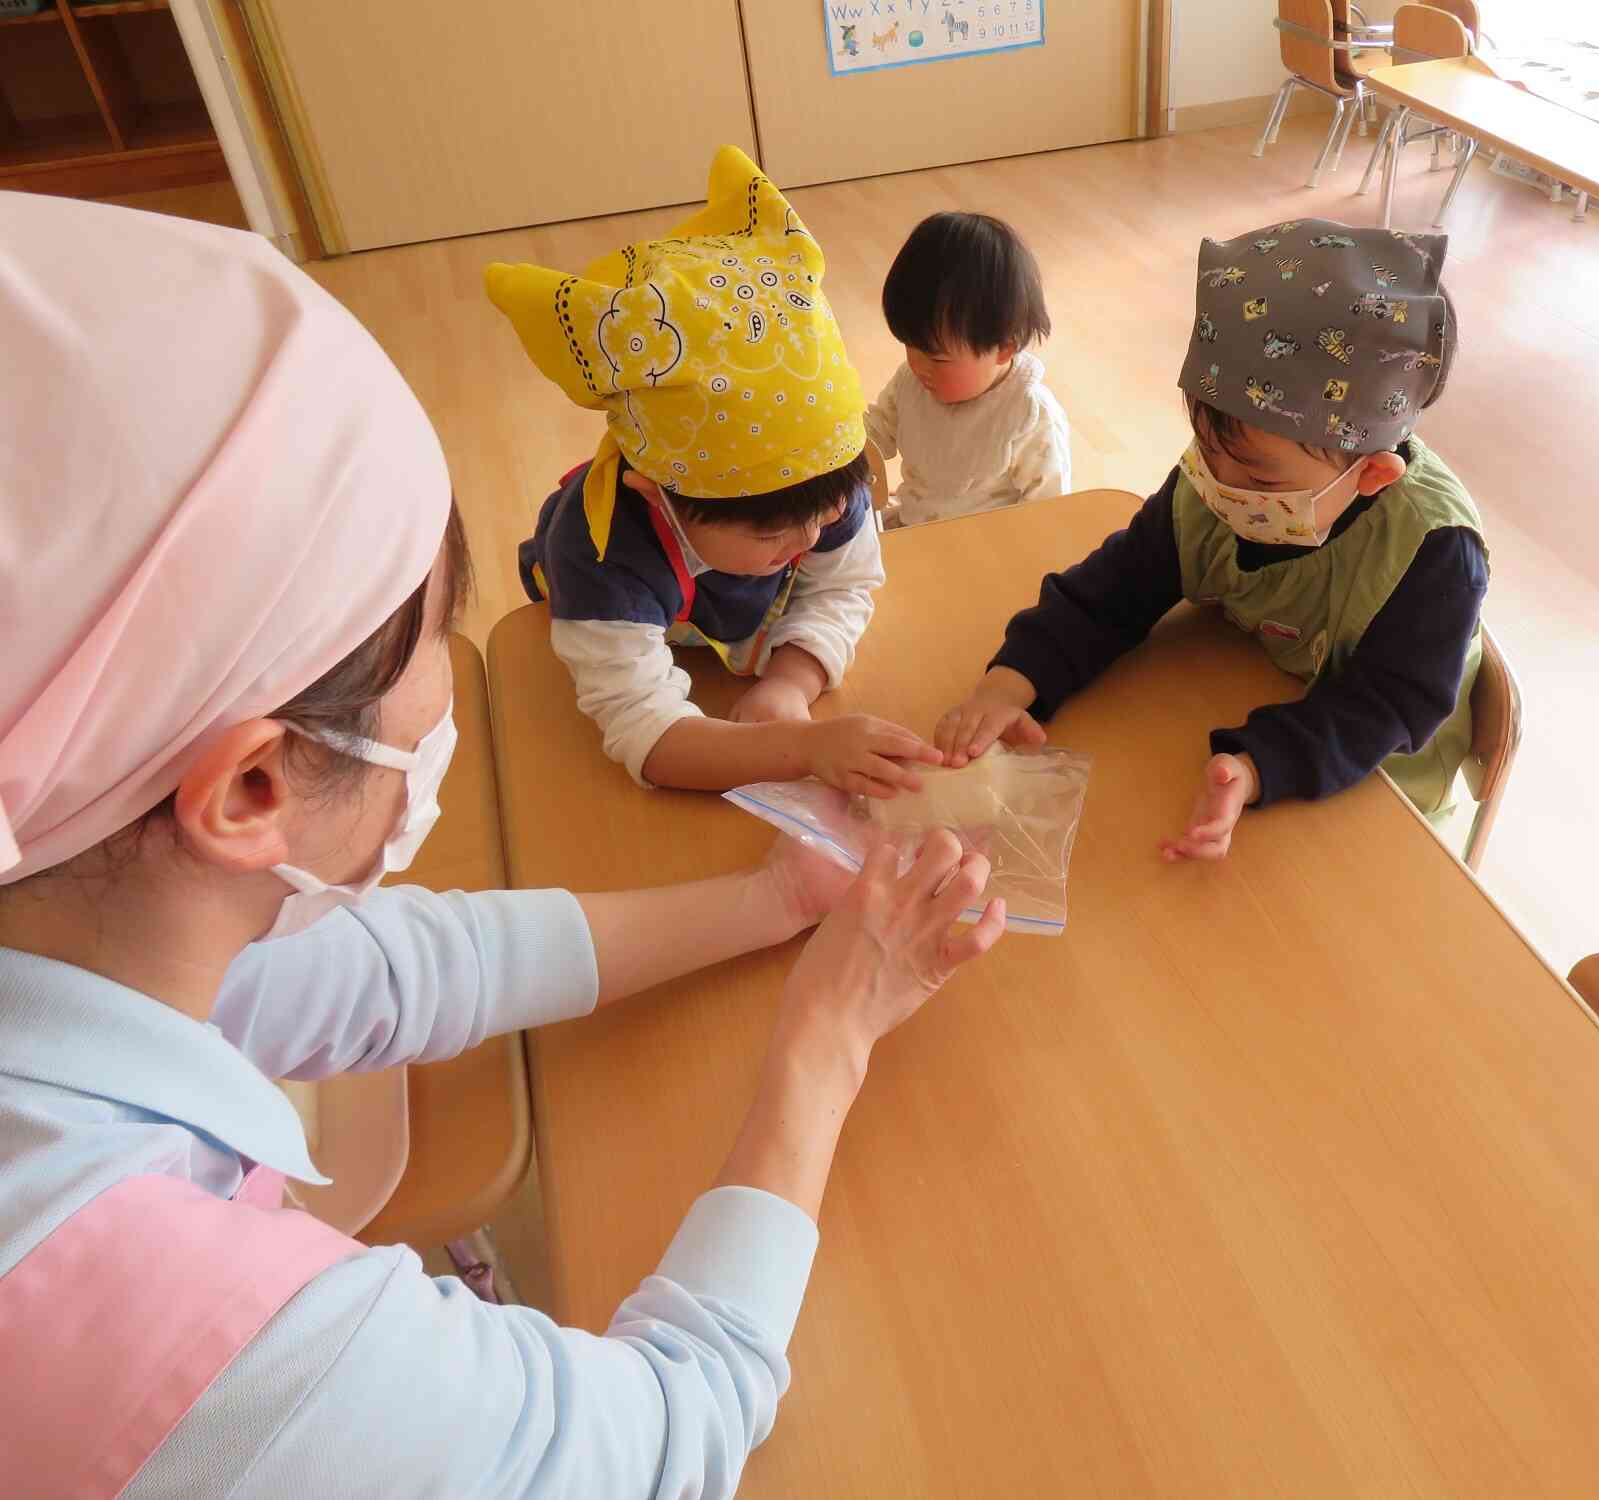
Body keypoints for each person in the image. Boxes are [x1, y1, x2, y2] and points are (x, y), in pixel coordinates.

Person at [0, 191, 1003, 1499]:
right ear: (247, 790)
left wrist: (769, 901)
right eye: (427, 639)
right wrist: (829, 1037)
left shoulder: (79, 911)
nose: (449, 681)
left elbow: (403, 970)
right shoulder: (160, 1325)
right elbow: (673, 1430)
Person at [935, 218, 1489, 862]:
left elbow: (1387, 706)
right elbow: (1113, 589)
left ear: (1371, 473)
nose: (1216, 485)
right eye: (1207, 448)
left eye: (1256, 475)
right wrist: (1014, 679)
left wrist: (1261, 764)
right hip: (1256, 698)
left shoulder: (1435, 552)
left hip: (1384, 795)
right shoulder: (1217, 478)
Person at [488, 146, 941, 798]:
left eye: (829, 510)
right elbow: (648, 733)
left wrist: (792, 680)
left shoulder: (818, 487)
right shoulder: (601, 554)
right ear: (656, 494)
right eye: (774, 533)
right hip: (623, 615)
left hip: (729, 628)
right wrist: (797, 748)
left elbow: (846, 586)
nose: (812, 538)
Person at [865, 211, 1071, 528]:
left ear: (1004, 347)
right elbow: (872, 436)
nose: (917, 366)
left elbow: (1047, 510)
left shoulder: (1029, 414)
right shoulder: (911, 382)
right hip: (915, 527)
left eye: (937, 358)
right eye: (910, 346)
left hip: (988, 551)